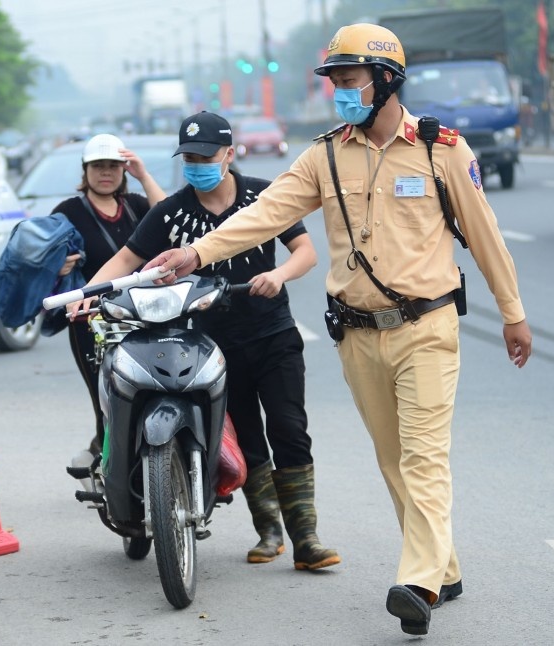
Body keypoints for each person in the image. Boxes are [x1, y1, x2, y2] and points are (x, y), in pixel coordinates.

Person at [145, 24, 532, 637]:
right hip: (356, 335)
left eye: (350, 82)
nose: (341, 95)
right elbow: (264, 216)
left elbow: (484, 236)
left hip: (427, 326)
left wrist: (512, 312)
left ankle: (418, 580)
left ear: (385, 81)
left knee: (424, 455)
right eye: (336, 84)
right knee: (392, 458)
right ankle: (445, 566)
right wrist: (196, 255)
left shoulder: (442, 149)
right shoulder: (323, 154)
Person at [71, 111, 341, 571]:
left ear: (229, 154)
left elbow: (306, 252)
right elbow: (125, 260)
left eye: (205, 155)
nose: (197, 164)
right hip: (208, 346)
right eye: (189, 157)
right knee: (248, 439)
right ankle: (268, 530)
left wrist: (278, 275)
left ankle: (307, 538)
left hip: (273, 333)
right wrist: (86, 296)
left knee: (289, 430)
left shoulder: (263, 196)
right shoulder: (171, 211)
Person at [55, 133, 167, 465]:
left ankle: (150, 457)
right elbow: (44, 259)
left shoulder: (135, 205)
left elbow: (167, 218)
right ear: (85, 171)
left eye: (113, 167)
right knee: (105, 396)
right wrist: (58, 269)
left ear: (123, 170)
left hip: (143, 313)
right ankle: (107, 463)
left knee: (151, 388)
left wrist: (143, 175)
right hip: (91, 318)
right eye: (98, 166)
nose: (106, 173)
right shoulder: (67, 211)